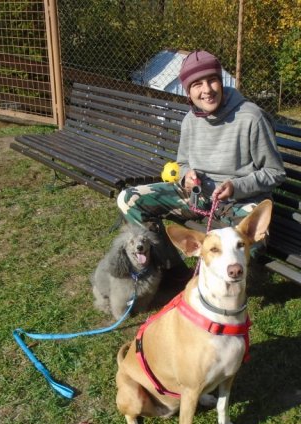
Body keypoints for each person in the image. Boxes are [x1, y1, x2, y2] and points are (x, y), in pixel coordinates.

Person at [117, 50, 285, 270]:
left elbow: (275, 172)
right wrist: (186, 176)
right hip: (198, 197)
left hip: (239, 204)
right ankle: (172, 270)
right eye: (197, 84)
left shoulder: (252, 117)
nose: (207, 90)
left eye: (212, 80)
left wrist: (235, 187)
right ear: (188, 91)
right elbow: (182, 163)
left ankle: (224, 279)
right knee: (128, 199)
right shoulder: (190, 119)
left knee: (249, 244)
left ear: (221, 82)